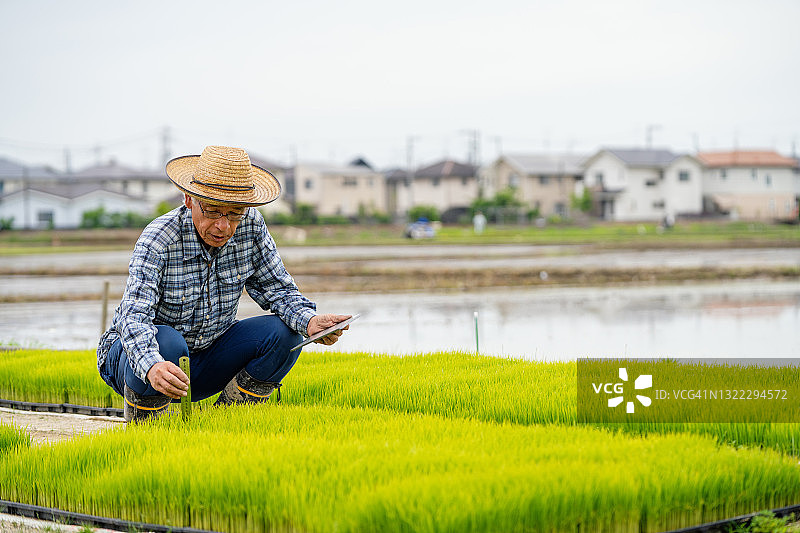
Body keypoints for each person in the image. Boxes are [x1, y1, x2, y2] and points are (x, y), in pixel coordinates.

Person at [97, 145, 351, 422]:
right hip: (144, 362)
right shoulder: (159, 240)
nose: (224, 226)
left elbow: (277, 288)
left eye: (234, 213)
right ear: (189, 199)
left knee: (286, 334)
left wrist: (309, 321)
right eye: (213, 211)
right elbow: (134, 318)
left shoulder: (251, 226)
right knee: (169, 342)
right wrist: (151, 366)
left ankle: (226, 423)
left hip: (207, 356)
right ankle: (147, 429)